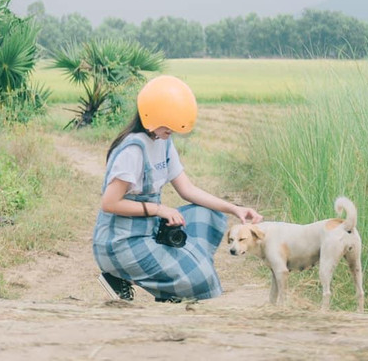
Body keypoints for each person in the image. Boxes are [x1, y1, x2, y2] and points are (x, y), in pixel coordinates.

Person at [92, 74, 263, 302]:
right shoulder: (133, 150)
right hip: (120, 243)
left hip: (149, 233)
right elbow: (109, 203)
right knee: (203, 278)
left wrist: (235, 209)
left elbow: (188, 190)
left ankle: (177, 280)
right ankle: (119, 275)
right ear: (151, 115)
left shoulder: (163, 142)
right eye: (168, 124)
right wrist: (159, 209)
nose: (171, 130)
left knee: (210, 215)